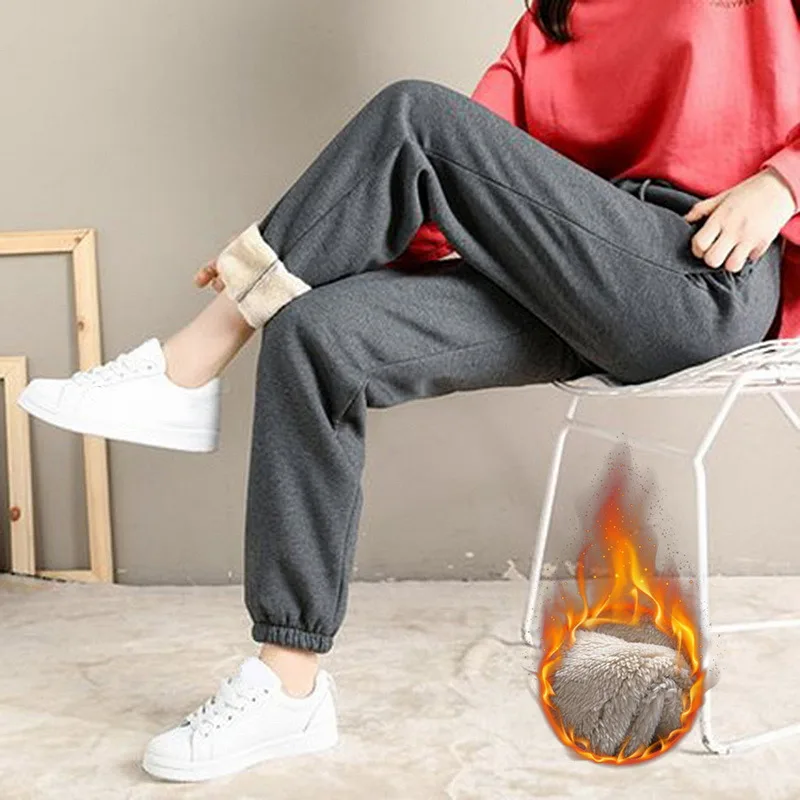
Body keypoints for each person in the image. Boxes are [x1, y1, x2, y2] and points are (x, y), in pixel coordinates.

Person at [17, 0, 799, 784]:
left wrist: (781, 184)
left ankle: (187, 364)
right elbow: (431, 189)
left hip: (700, 271)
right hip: (568, 279)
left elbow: (423, 136)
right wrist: (299, 249)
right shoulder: (549, 20)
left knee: (414, 113)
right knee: (314, 330)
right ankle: (287, 686)